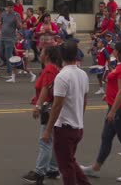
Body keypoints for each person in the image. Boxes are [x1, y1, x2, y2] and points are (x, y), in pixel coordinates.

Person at [81, 41, 121, 183]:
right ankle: (95, 168)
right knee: (106, 137)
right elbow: (116, 89)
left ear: (119, 52)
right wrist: (108, 96)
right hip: (115, 107)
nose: (112, 51)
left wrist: (112, 111)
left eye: (114, 49)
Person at [42, 40, 91, 185]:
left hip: (64, 128)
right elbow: (84, 101)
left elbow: (57, 106)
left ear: (61, 56)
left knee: (66, 167)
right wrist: (79, 120)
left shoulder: (62, 76)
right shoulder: (83, 74)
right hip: (77, 127)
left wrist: (48, 130)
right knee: (70, 160)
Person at [22, 46, 62, 185]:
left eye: (42, 52)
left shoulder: (49, 69)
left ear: (48, 55)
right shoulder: (52, 69)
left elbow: (46, 89)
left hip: (48, 108)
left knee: (45, 140)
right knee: (52, 139)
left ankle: (39, 172)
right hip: (51, 107)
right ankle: (53, 169)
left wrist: (37, 106)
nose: (40, 54)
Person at [0, 0, 22, 76]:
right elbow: (0, 24)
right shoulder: (3, 14)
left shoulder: (16, 15)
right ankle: (8, 64)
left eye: (12, 7)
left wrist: (16, 21)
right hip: (2, 37)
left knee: (8, 54)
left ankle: (10, 71)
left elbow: (20, 27)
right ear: (6, 7)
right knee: (0, 52)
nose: (10, 9)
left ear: (13, 7)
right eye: (9, 7)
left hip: (10, 38)